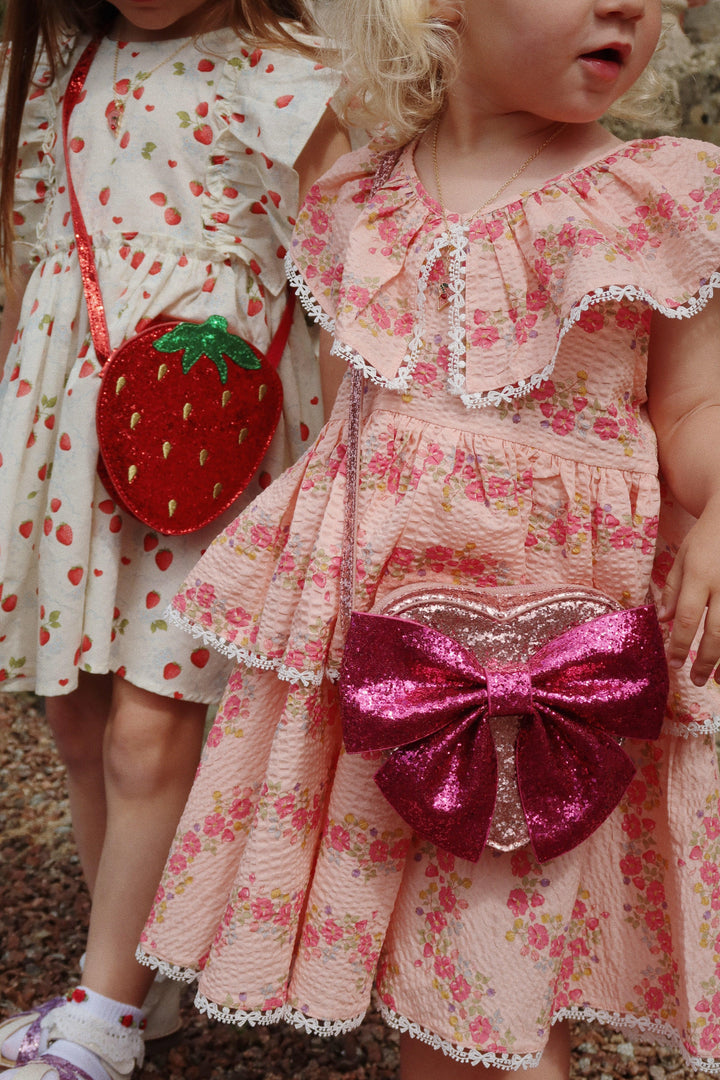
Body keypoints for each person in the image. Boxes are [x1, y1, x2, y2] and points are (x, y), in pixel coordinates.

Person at [134, 0, 720, 1076]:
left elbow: (691, 412)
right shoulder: (360, 196)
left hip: (553, 657)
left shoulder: (655, 197)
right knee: (423, 993)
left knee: (492, 999)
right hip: (380, 658)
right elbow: (344, 419)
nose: (628, 7)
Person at [0, 2, 350, 1079]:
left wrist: (345, 460)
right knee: (79, 718)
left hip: (211, 429)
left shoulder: (287, 67)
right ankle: (133, 985)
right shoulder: (78, 59)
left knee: (151, 729)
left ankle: (102, 1017)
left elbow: (343, 269)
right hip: (74, 426)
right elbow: (45, 253)